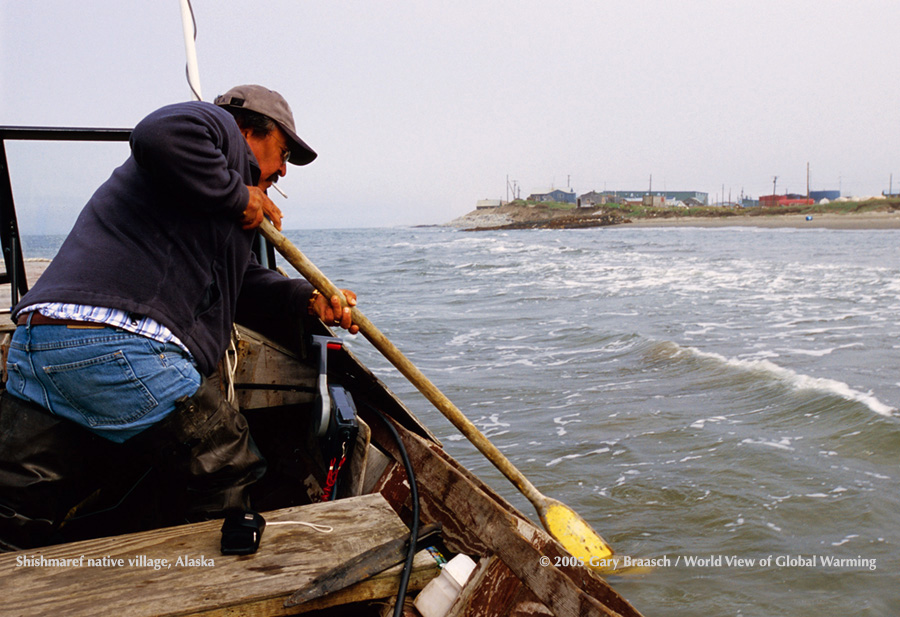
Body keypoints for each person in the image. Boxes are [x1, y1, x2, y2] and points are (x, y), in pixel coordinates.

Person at [0, 84, 357, 550]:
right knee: (228, 462)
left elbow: (244, 284)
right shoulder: (219, 130)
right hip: (113, 344)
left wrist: (309, 300)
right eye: (282, 152)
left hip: (37, 343)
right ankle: (208, 587)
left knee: (15, 503)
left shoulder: (214, 203)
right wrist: (239, 195)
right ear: (248, 131)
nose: (283, 170)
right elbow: (157, 132)